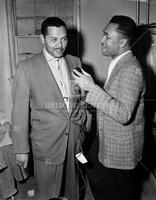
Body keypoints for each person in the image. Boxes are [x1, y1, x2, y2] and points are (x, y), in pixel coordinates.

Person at [11, 17, 91, 200]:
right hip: (47, 146)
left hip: (74, 142)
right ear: (42, 39)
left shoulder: (75, 61)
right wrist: (21, 149)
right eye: (54, 39)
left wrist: (84, 122)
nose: (60, 45)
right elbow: (19, 112)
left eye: (64, 39)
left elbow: (80, 99)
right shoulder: (26, 67)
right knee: (48, 194)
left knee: (73, 192)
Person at [73, 15, 146, 200]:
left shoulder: (131, 69)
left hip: (119, 151)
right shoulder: (118, 63)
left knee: (118, 192)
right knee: (88, 163)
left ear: (122, 42)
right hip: (104, 139)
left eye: (107, 36)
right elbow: (112, 98)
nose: (101, 40)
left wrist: (92, 88)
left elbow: (123, 114)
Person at [0, 118, 26, 200]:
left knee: (11, 170)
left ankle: (10, 193)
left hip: (8, 142)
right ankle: (9, 193)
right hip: (4, 146)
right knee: (5, 175)